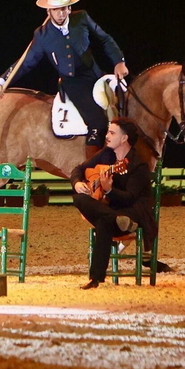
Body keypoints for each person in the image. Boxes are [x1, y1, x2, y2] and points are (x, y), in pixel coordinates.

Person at [0, 0, 128, 148]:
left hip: (95, 74)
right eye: (56, 10)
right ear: (48, 12)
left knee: (126, 102)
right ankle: (92, 168)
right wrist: (2, 82)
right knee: (98, 122)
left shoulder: (81, 18)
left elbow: (105, 39)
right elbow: (25, 63)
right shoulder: (42, 35)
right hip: (74, 84)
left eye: (63, 9)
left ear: (69, 8)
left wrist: (119, 61)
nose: (61, 13)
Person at [72, 118, 155, 290]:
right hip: (115, 214)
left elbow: (130, 198)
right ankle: (114, 218)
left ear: (124, 139)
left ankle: (95, 279)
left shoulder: (139, 164)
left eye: (112, 133)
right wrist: (77, 183)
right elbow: (78, 169)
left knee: (104, 222)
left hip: (133, 215)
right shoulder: (106, 153)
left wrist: (109, 190)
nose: (107, 136)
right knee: (79, 198)